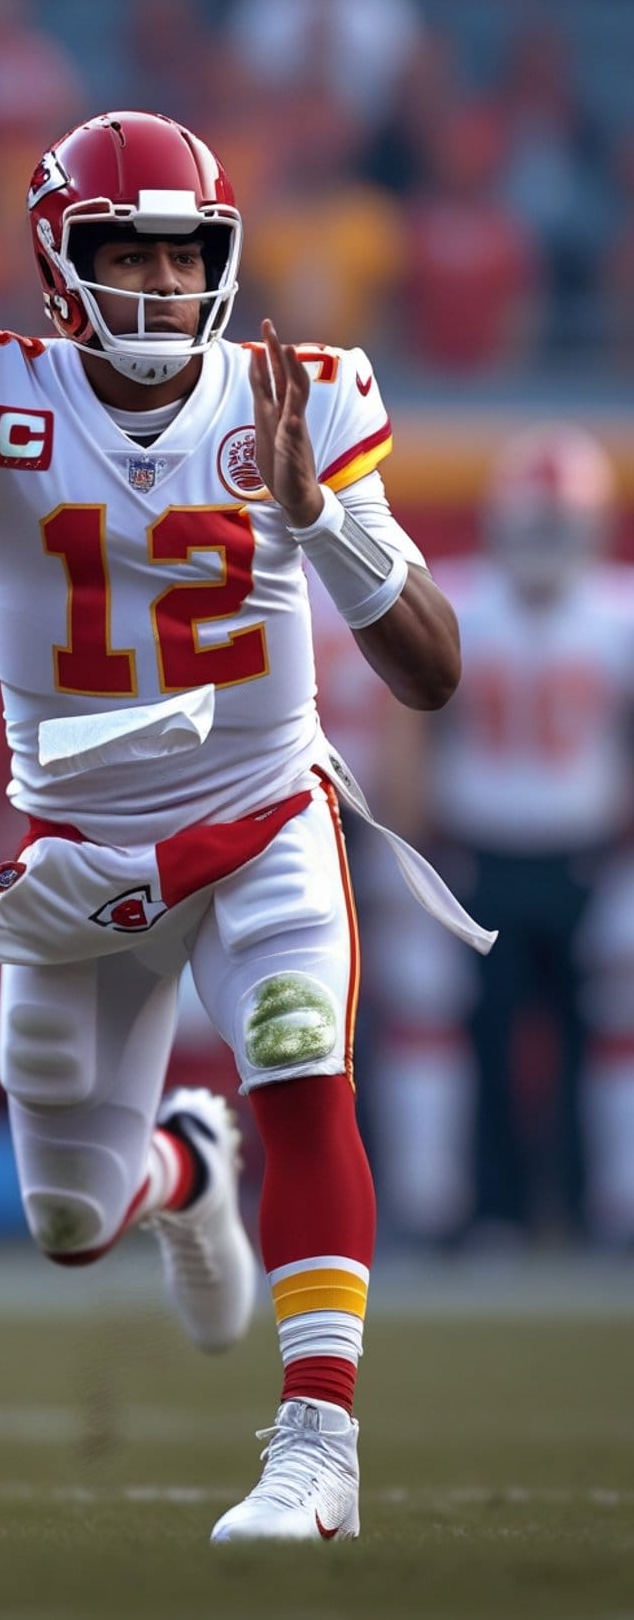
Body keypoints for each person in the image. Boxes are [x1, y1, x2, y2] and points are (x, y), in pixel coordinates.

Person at [0, 0, 483, 1543]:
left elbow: (431, 672)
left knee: (303, 1062)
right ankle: (185, 1166)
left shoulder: (301, 398)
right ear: (60, 263)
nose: (163, 283)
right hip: (84, 859)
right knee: (71, 1216)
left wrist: (323, 522)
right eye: (127, 253)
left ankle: (319, 1446)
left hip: (264, 815)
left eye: (184, 253)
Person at [391, 425, 634, 1247]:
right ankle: (493, 1209)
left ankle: (588, 1208)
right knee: (484, 1039)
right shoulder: (460, 601)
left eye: (560, 527)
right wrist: (414, 847)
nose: (546, 544)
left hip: (585, 857)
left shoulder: (617, 612)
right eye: (535, 525)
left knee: (595, 1042)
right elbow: (411, 728)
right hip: (479, 854)